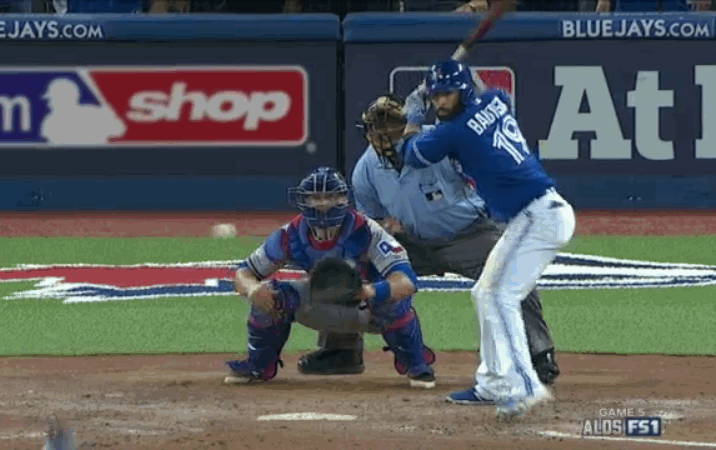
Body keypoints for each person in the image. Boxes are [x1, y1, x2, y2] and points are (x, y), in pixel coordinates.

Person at [296, 95, 562, 391]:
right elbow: (368, 225)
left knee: (510, 272)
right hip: (410, 245)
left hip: (469, 234)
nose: (382, 135)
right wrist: (385, 227)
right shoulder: (366, 169)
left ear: (407, 124)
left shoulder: (439, 145)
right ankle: (341, 349)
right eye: (375, 128)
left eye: (390, 127)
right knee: (350, 264)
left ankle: (538, 354)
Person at [398, 60, 575, 421]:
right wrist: (455, 79)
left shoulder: (454, 131)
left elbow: (410, 154)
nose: (440, 102)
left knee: (500, 296)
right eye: (436, 96)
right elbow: (487, 90)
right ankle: (493, 383)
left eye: (447, 94)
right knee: (484, 292)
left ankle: (524, 386)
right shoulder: (495, 100)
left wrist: (414, 114)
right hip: (534, 216)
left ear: (462, 91)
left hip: (539, 215)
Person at [224, 167, 437, 389]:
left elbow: (407, 282)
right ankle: (258, 365)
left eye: (331, 197)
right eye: (316, 198)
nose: (323, 204)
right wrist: (253, 290)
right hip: (320, 302)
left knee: (394, 302)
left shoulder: (367, 231)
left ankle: (416, 364)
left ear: (344, 199)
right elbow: (244, 273)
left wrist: (367, 291)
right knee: (270, 294)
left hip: (367, 309)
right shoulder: (291, 234)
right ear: (304, 201)